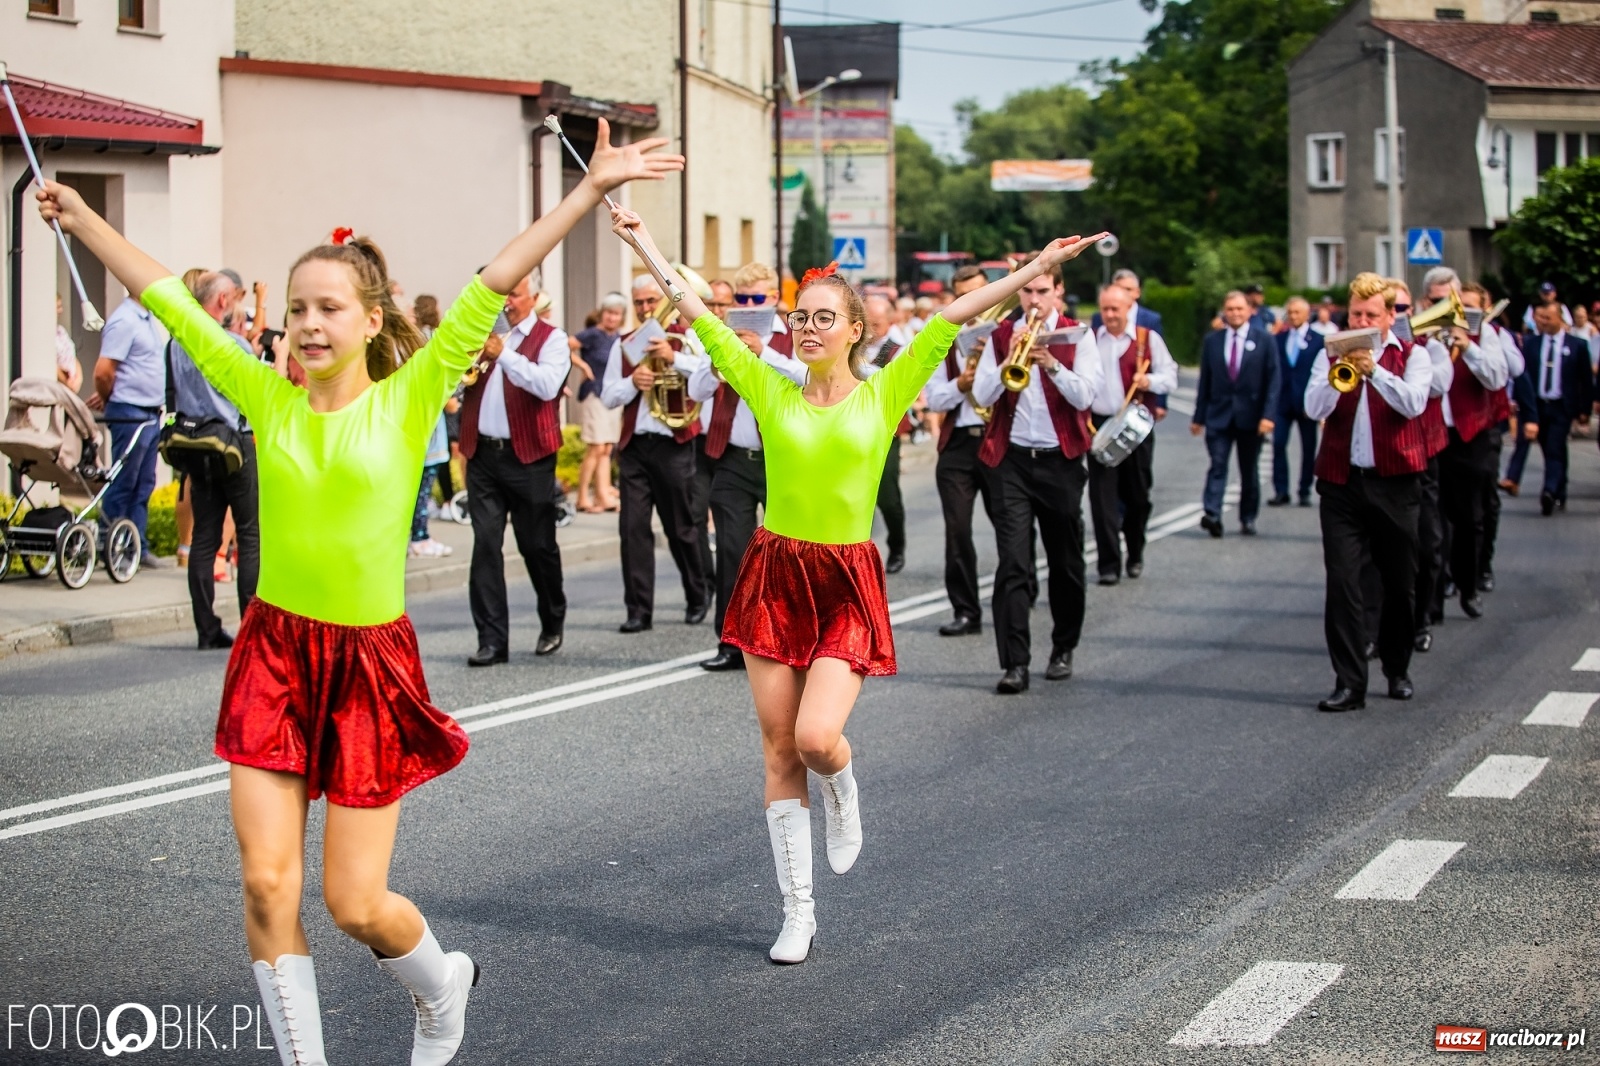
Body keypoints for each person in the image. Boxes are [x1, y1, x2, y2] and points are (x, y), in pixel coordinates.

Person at [35, 121, 681, 1066]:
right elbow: (166, 298)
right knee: (265, 886)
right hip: (273, 654)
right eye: (296, 308)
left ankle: (440, 984)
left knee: (355, 904)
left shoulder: (408, 397)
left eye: (330, 307)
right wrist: (87, 214)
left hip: (367, 664)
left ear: (370, 322)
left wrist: (589, 193)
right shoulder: (265, 398)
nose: (308, 324)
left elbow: (496, 279)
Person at [612, 204, 1104, 964]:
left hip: (843, 577)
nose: (806, 329)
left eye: (821, 319)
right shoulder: (767, 387)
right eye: (799, 318)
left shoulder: (884, 391)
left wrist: (1033, 271)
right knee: (779, 748)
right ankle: (797, 911)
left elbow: (955, 313)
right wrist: (644, 243)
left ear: (852, 330)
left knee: (815, 740)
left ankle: (842, 784)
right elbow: (695, 312)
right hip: (775, 574)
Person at [972, 255, 1106, 694]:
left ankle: (1063, 647)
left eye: (1042, 291)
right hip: (1010, 460)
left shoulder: (1077, 335)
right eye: (1027, 291)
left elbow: (1089, 394)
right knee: (1013, 563)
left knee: (1065, 562)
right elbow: (982, 393)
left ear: (1058, 292)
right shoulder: (1002, 335)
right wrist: (1009, 357)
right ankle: (1015, 664)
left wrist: (1051, 365)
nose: (1033, 299)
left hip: (1060, 461)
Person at [1303, 272, 1432, 712]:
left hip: (1395, 483)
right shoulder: (1330, 352)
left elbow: (1413, 404)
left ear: (1389, 317)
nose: (1360, 320)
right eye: (1355, 312)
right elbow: (1312, 407)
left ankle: (1397, 667)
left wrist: (1373, 372)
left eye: (1370, 314)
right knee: (1342, 582)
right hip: (1341, 482)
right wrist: (1339, 372)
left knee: (1399, 584)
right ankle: (1349, 682)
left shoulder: (1413, 354)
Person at [690, 261, 807, 672]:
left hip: (783, 462)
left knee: (789, 554)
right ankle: (730, 643)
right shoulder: (724, 337)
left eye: (758, 299)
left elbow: (809, 381)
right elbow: (696, 391)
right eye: (743, 299)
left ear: (775, 300)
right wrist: (714, 365)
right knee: (732, 554)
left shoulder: (795, 338)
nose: (749, 305)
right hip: (734, 461)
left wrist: (765, 353)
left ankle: (789, 640)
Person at [459, 272, 572, 665]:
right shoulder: (481, 334)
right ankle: (492, 641)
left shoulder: (551, 339)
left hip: (530, 457)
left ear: (535, 296)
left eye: (514, 294)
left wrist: (501, 354)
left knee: (536, 545)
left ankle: (552, 617)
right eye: (500, 294)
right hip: (482, 456)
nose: (505, 301)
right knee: (486, 546)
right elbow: (459, 384)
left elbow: (545, 385)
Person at [601, 274, 713, 632]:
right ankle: (638, 610)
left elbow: (711, 374)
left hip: (674, 444)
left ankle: (698, 594)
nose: (646, 309)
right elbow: (607, 396)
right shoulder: (625, 345)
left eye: (651, 301)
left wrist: (673, 357)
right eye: (640, 303)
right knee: (632, 530)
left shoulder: (686, 338)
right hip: (635, 447)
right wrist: (631, 382)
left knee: (680, 527)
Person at [168, 270, 262, 649]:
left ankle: (207, 630)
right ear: (222, 301)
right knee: (250, 534)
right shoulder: (234, 344)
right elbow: (254, 393)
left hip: (195, 445)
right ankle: (251, 632)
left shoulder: (176, 343)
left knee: (204, 538)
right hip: (234, 443)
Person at [1428, 276, 1508, 640]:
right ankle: (1434, 600)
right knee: (1433, 522)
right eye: (1435, 300)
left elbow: (1496, 379)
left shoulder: (1483, 335)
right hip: (1433, 435)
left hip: (1469, 435)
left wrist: (1468, 347)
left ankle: (1468, 584)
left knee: (1469, 518)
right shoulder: (1423, 332)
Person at [1087, 283, 1177, 583]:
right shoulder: (1091, 340)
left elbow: (1170, 377)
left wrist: (1148, 382)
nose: (1110, 315)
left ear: (1128, 309)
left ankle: (1135, 550)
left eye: (1115, 309)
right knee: (1102, 501)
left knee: (1138, 497)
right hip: (1099, 424)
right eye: (1105, 309)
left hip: (1135, 426)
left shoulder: (1146, 339)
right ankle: (1109, 565)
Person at [924, 265, 995, 635]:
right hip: (958, 443)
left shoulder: (1007, 333)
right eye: (965, 297)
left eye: (979, 295)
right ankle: (966, 610)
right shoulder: (944, 338)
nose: (975, 306)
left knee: (1011, 525)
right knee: (957, 531)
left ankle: (1021, 590)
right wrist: (961, 384)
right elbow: (934, 397)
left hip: (998, 438)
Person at [92, 278, 169, 569]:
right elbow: (103, 372)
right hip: (129, 412)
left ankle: (136, 547)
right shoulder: (124, 320)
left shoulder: (145, 319)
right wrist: (109, 398)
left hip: (149, 412)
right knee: (124, 481)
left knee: (143, 483)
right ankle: (109, 548)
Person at [1191, 291, 1279, 537]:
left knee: (1249, 469)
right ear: (1224, 312)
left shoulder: (1264, 340)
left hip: (1251, 417)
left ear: (1250, 311)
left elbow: (1273, 381)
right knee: (1217, 465)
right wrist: (1198, 418)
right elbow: (1205, 382)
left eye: (1239, 309)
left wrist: (1268, 416)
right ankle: (1213, 513)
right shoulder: (1213, 341)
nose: (1235, 313)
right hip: (1219, 414)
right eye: (1230, 309)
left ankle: (1247, 517)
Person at [1525, 300, 1594, 516]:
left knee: (1555, 446)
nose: (1543, 322)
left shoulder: (1577, 345)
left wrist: (1585, 410)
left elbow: (1585, 379)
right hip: (1539, 406)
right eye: (1541, 317)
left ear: (1560, 319)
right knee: (1550, 449)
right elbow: (1525, 377)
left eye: (1548, 318)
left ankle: (1549, 490)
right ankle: (1560, 487)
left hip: (1562, 407)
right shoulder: (1532, 344)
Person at [860, 293, 912, 573]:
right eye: (866, 320)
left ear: (891, 322)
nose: (870, 327)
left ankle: (897, 545)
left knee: (888, 495)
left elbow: (888, 383)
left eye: (876, 323)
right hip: (851, 428)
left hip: (885, 431)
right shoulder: (851, 346)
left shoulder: (898, 350)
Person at [570, 292, 626, 512]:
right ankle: (582, 497)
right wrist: (583, 366)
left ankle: (603, 496)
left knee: (606, 448)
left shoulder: (619, 338)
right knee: (595, 447)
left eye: (617, 314)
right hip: (594, 393)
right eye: (609, 313)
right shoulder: (592, 334)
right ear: (603, 313)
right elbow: (564, 346)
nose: (612, 318)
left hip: (612, 396)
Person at [409, 295, 455, 560]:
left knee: (421, 488)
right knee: (423, 488)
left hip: (424, 422)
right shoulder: (429, 340)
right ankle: (419, 538)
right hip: (429, 424)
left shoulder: (417, 337)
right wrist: (447, 397)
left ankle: (419, 536)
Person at [1268, 296, 1324, 507]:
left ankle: (1304, 488)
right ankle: (1281, 490)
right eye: (1290, 313)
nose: (1293, 316)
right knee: (1278, 444)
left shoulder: (1318, 340)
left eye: (1297, 312)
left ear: (1307, 314)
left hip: (1306, 403)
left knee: (1308, 447)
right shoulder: (1278, 339)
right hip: (1282, 402)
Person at [54, 293, 82, 391]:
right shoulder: (45, 336)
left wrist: (78, 378)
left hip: (70, 388)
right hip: (57, 388)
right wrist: (66, 381)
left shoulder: (60, 331)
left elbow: (72, 357)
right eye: (57, 307)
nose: (61, 311)